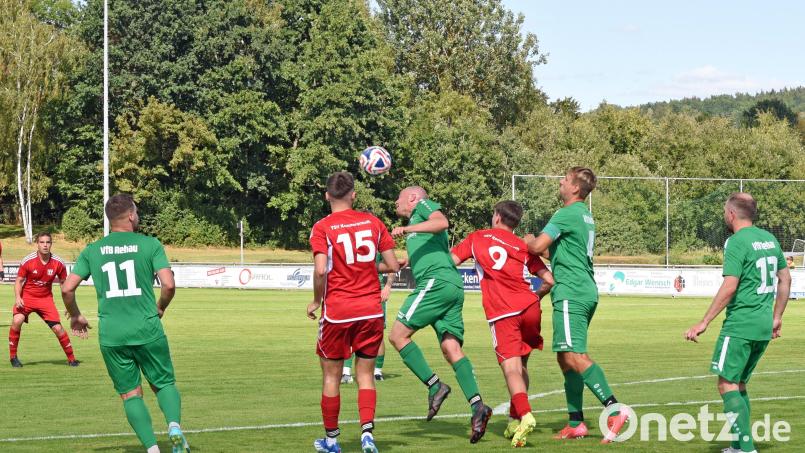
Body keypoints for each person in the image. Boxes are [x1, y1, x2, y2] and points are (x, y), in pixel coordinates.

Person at [60, 194, 189, 453]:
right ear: (131, 215)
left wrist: (75, 315)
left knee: (130, 393)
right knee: (163, 383)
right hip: (147, 327)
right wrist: (160, 306)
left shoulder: (93, 250)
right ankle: (174, 426)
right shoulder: (150, 244)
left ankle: (152, 449)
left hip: (112, 334)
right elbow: (169, 284)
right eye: (137, 213)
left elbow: (67, 288)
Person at [524, 167, 628, 443]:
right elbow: (554, 252)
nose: (560, 182)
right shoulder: (584, 215)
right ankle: (576, 423)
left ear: (575, 189)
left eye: (565, 180)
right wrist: (537, 245)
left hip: (571, 292)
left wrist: (527, 242)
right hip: (581, 290)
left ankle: (615, 410)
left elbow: (536, 249)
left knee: (576, 355)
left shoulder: (565, 214)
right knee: (564, 358)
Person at [684, 193, 791, 453]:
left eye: (724, 211)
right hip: (763, 326)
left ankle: (745, 447)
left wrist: (704, 321)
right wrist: (777, 317)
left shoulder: (736, 242)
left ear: (731, 214)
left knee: (726, 384)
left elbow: (730, 285)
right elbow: (785, 280)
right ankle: (738, 444)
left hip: (740, 324)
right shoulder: (769, 239)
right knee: (739, 383)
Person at [388, 186, 492, 444]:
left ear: (412, 198)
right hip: (451, 286)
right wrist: (406, 262)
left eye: (399, 197)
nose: (396, 202)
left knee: (397, 335)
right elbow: (431, 248)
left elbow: (441, 221)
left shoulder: (422, 208)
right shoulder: (417, 224)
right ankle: (478, 406)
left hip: (436, 283)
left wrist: (407, 229)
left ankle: (435, 385)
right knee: (451, 349)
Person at [307, 172, 400, 453]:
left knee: (331, 377)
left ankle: (332, 442)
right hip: (371, 310)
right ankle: (367, 435)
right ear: (354, 195)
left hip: (338, 311)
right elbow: (393, 265)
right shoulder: (373, 222)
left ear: (326, 196)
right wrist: (365, 269)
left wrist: (315, 300)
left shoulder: (322, 227)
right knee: (366, 375)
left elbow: (321, 269)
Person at [451, 200, 554, 448]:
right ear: (515, 222)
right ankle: (513, 419)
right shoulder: (521, 245)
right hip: (530, 308)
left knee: (510, 369)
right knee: (522, 365)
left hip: (503, 313)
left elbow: (450, 261)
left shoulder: (477, 237)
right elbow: (549, 280)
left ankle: (526, 414)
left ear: (497, 217)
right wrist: (534, 298)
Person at [8, 232, 77, 367]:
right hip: (27, 297)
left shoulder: (58, 262)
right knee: (17, 320)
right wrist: (18, 297)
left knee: (58, 328)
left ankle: (72, 359)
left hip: (45, 299)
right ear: (37, 244)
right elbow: (19, 281)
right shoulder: (28, 260)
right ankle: (13, 357)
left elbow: (64, 285)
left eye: (48, 242)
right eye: (42, 242)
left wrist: (69, 306)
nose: (45, 245)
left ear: (51, 244)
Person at [342, 256, 396, 384]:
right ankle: (346, 371)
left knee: (377, 333)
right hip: (355, 291)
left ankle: (377, 371)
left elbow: (392, 265)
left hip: (375, 292)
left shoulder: (379, 239)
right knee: (351, 331)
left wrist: (388, 286)